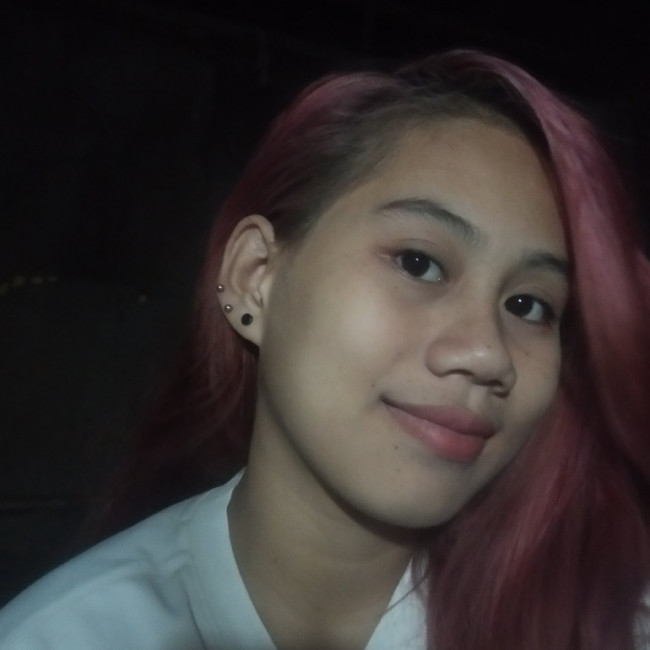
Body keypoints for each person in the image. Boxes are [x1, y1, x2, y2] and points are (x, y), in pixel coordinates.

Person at [1, 49, 649, 650]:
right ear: (256, 277)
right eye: (419, 263)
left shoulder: (605, 624)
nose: (487, 355)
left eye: (529, 305)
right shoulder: (63, 636)